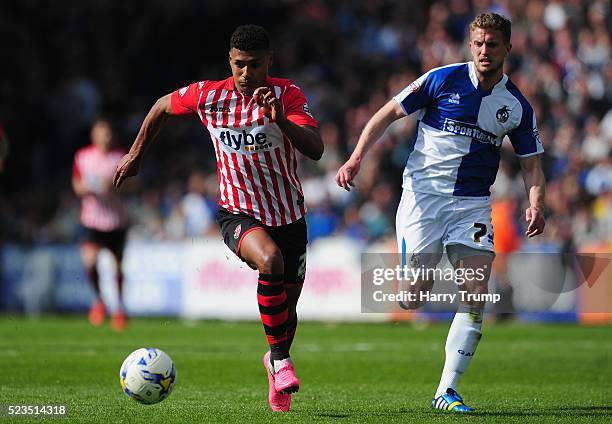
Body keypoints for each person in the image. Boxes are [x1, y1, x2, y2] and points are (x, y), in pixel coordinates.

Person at [336, 13, 545, 412]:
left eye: (493, 45)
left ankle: (446, 391)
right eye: (479, 43)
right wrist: (356, 157)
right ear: (471, 45)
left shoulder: (516, 105)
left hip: (472, 204)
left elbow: (532, 164)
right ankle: (421, 277)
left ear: (507, 49)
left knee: (475, 292)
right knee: (413, 297)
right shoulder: (440, 79)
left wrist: (536, 203)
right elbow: (386, 113)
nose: (485, 51)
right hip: (422, 199)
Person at [113, 25, 323, 412]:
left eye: (255, 65)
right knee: (270, 260)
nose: (246, 74)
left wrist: (280, 121)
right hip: (237, 212)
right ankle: (280, 360)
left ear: (269, 62)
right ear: (230, 60)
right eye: (240, 65)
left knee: (287, 311)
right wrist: (137, 154)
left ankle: (273, 359)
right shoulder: (209, 95)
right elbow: (161, 105)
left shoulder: (287, 94)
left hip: (289, 216)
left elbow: (316, 149)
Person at [73, 118, 129, 331]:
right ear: (93, 135)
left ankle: (119, 308)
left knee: (117, 266)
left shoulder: (120, 157)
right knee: (89, 262)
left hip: (115, 221)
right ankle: (99, 301)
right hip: (92, 220)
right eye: (101, 131)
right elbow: (76, 185)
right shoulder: (83, 156)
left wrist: (113, 187)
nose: (105, 136)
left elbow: (132, 186)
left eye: (108, 132)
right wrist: (87, 188)